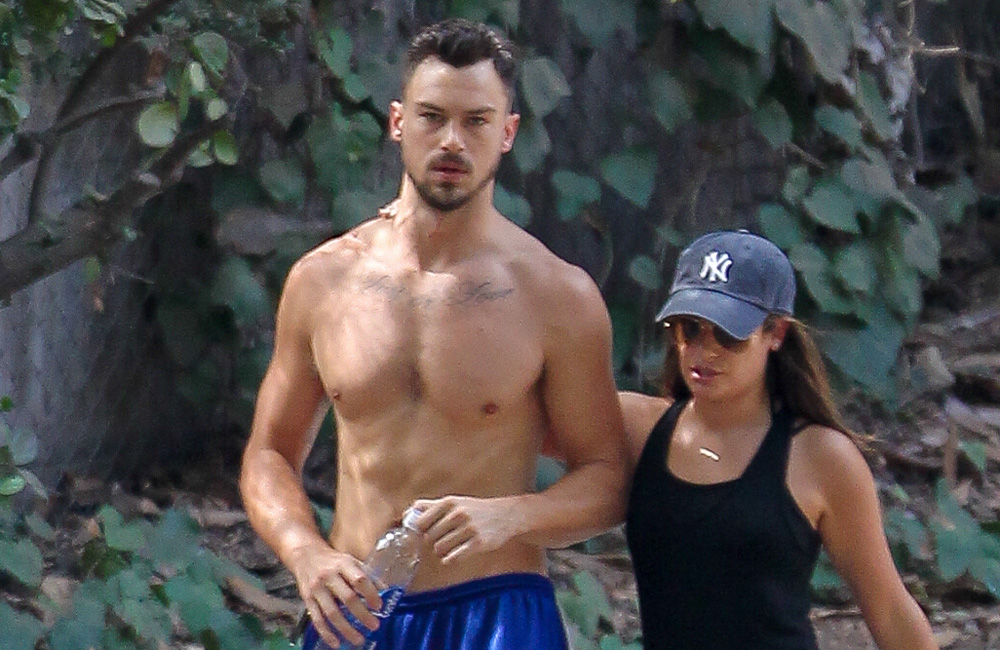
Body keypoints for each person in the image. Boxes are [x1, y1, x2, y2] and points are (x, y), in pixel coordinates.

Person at [239, 18, 627, 650]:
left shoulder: (556, 296)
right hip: (356, 610)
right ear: (398, 122)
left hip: (495, 614)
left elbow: (607, 477)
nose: (451, 140)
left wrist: (512, 516)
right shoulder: (323, 280)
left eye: (476, 122)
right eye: (432, 117)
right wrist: (305, 552)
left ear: (507, 133)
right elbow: (269, 454)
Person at [620, 230, 938, 650]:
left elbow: (891, 611)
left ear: (777, 333)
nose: (705, 351)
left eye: (729, 334)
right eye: (689, 329)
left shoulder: (821, 457)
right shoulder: (640, 427)